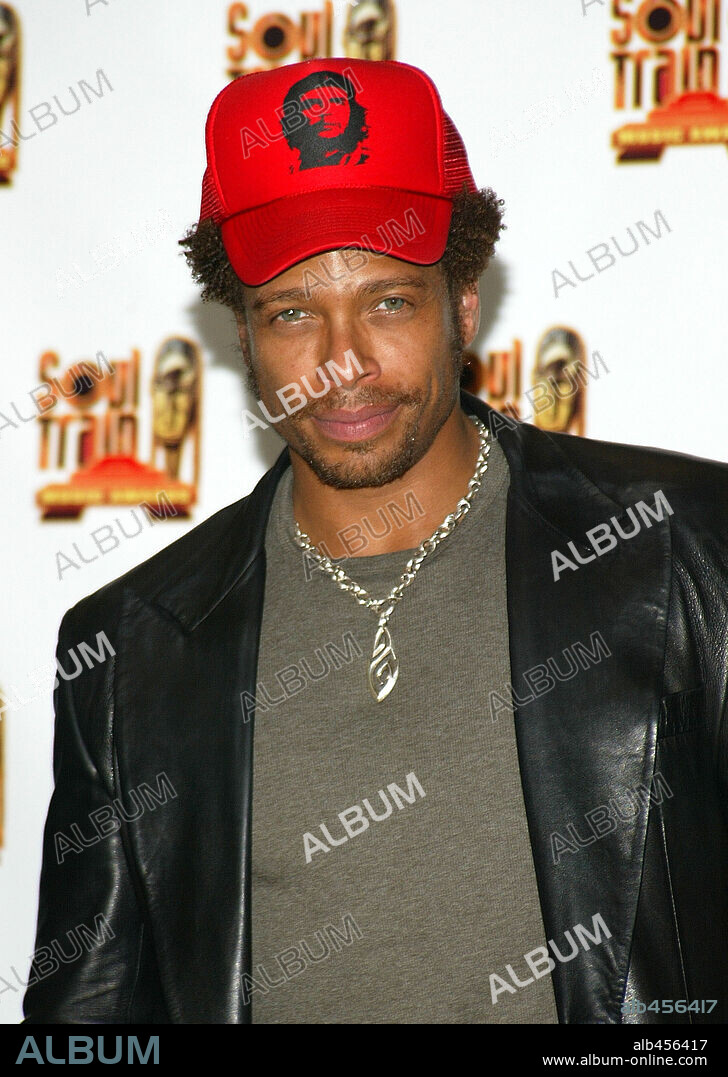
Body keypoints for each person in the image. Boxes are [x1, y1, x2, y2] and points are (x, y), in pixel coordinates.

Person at [23, 57, 728, 1025]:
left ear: (463, 307)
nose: (339, 363)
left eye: (388, 302)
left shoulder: (680, 548)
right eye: (292, 313)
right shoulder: (127, 655)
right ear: (241, 335)